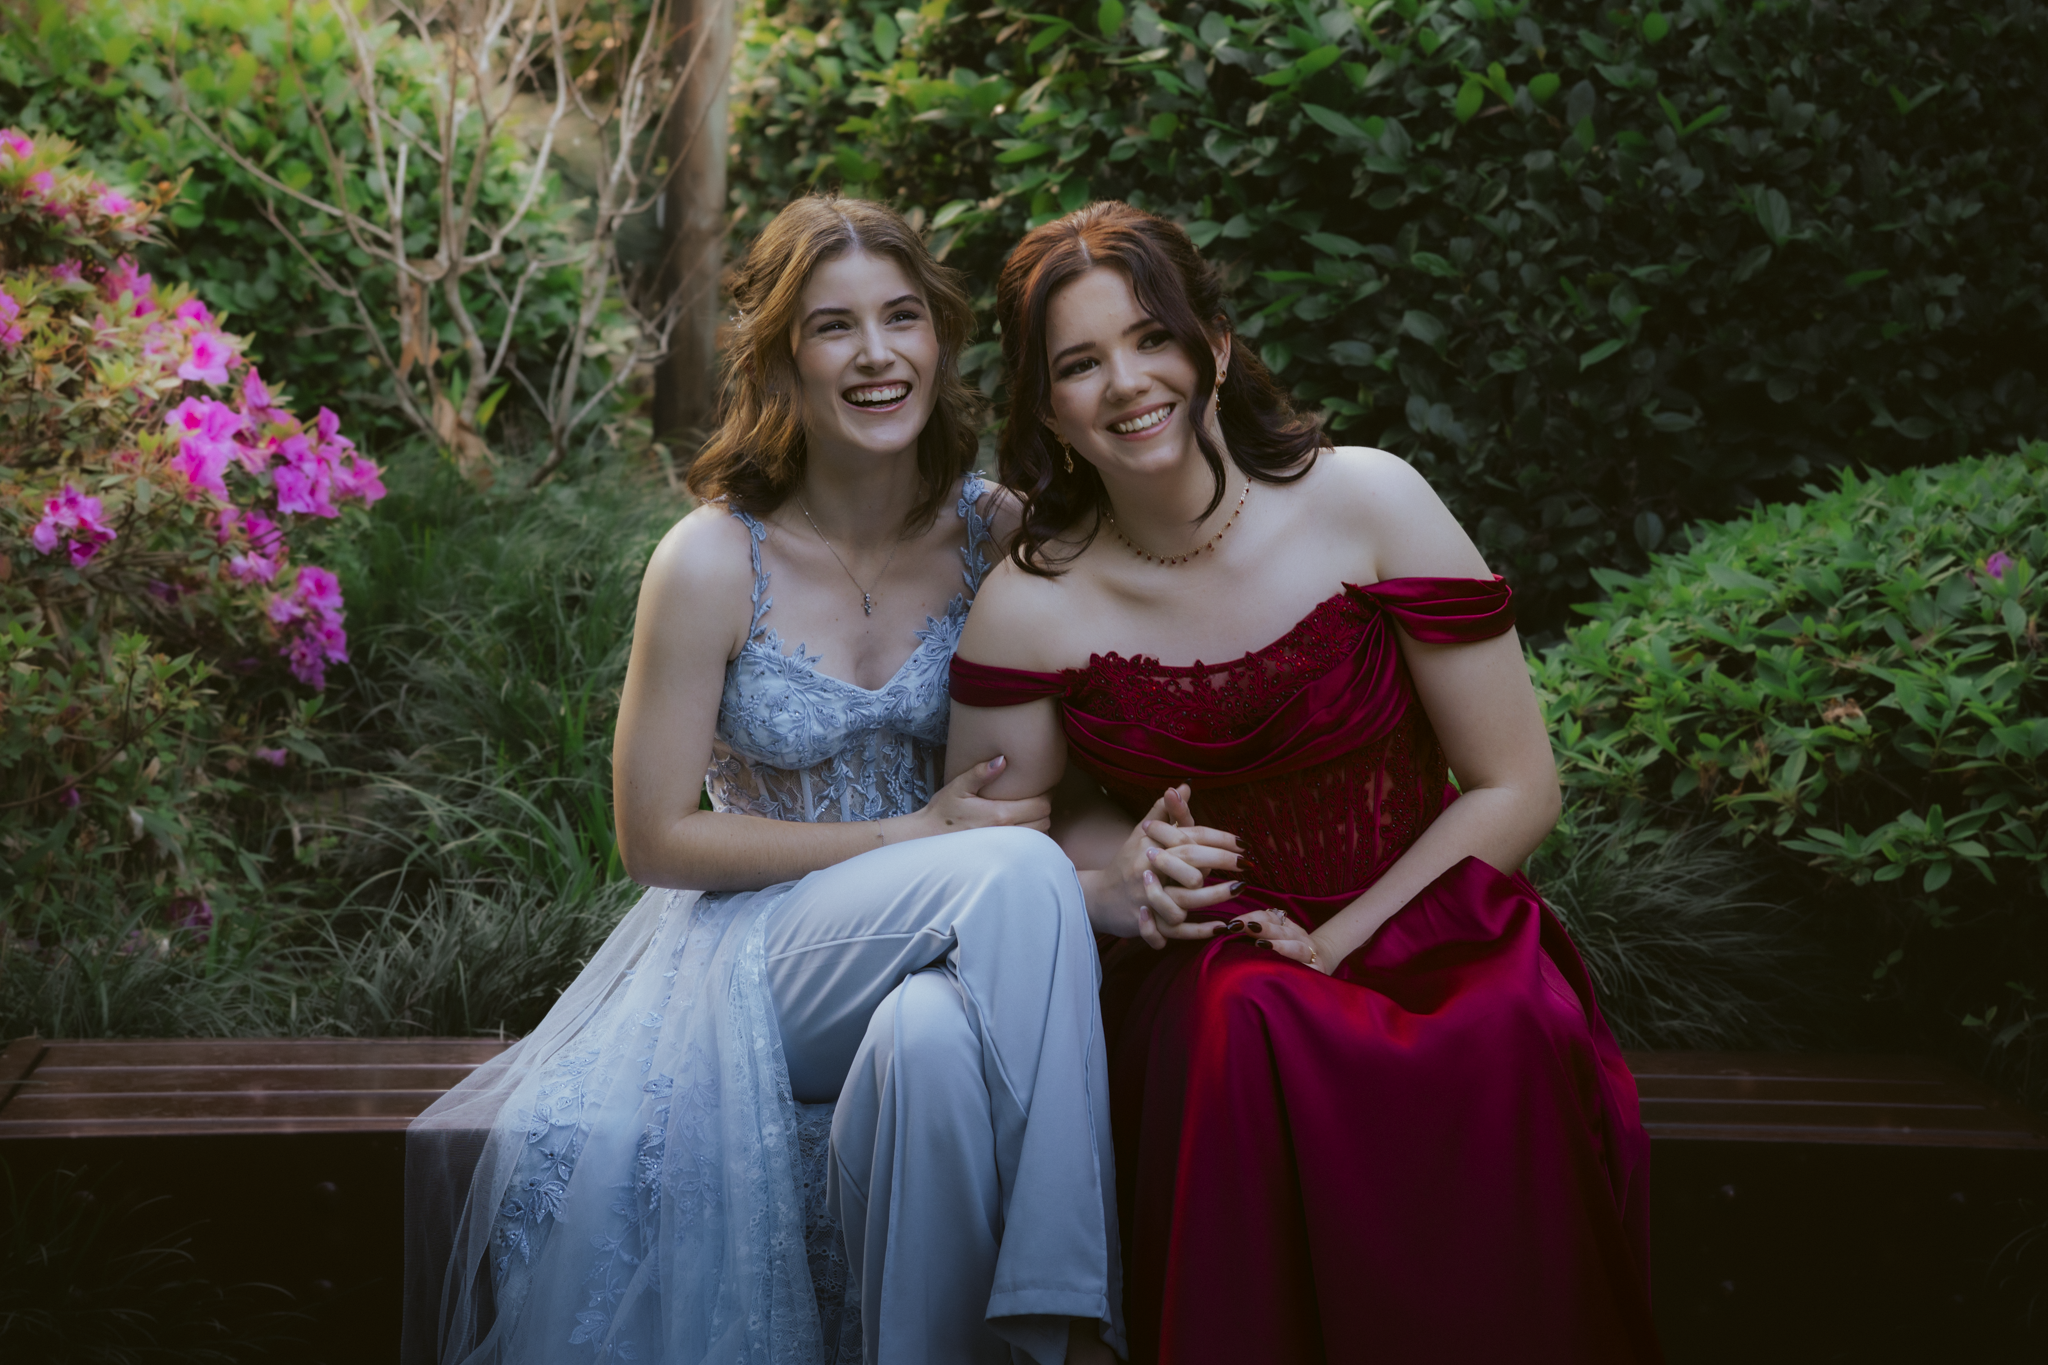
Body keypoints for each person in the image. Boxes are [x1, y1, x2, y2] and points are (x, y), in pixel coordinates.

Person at [404, 196, 1143, 1365]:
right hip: (757, 962)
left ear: (939, 338)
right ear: (782, 360)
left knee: (929, 1048)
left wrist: (1115, 867)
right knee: (1006, 867)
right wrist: (909, 838)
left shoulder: (993, 533)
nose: (876, 354)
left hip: (940, 957)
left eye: (901, 317)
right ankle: (1076, 1312)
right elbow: (654, 839)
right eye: (834, 327)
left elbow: (1077, 754)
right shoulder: (710, 559)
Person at [945, 201, 1663, 1364]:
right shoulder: (1029, 607)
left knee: (1500, 1031)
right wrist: (1118, 870)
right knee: (1248, 1022)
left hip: (1434, 918)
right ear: (1043, 410)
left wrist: (1338, 941)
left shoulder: (1369, 502)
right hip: (1210, 960)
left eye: (1151, 338)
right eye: (1078, 363)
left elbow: (1514, 787)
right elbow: (998, 838)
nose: (1125, 383)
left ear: (1216, 347)